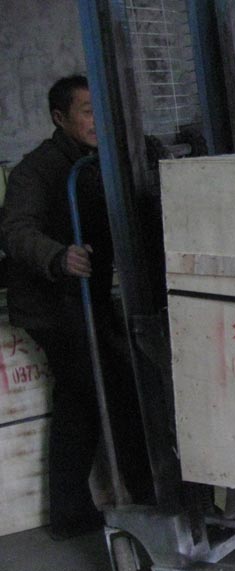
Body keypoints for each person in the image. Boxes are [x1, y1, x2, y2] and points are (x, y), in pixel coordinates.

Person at [0, 75, 152, 539]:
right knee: (115, 391)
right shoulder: (36, 170)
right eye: (87, 111)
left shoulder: (101, 161)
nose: (97, 121)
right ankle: (149, 499)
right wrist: (57, 257)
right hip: (50, 305)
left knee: (79, 399)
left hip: (87, 299)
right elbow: (15, 231)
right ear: (59, 118)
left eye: (100, 110)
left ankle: (69, 514)